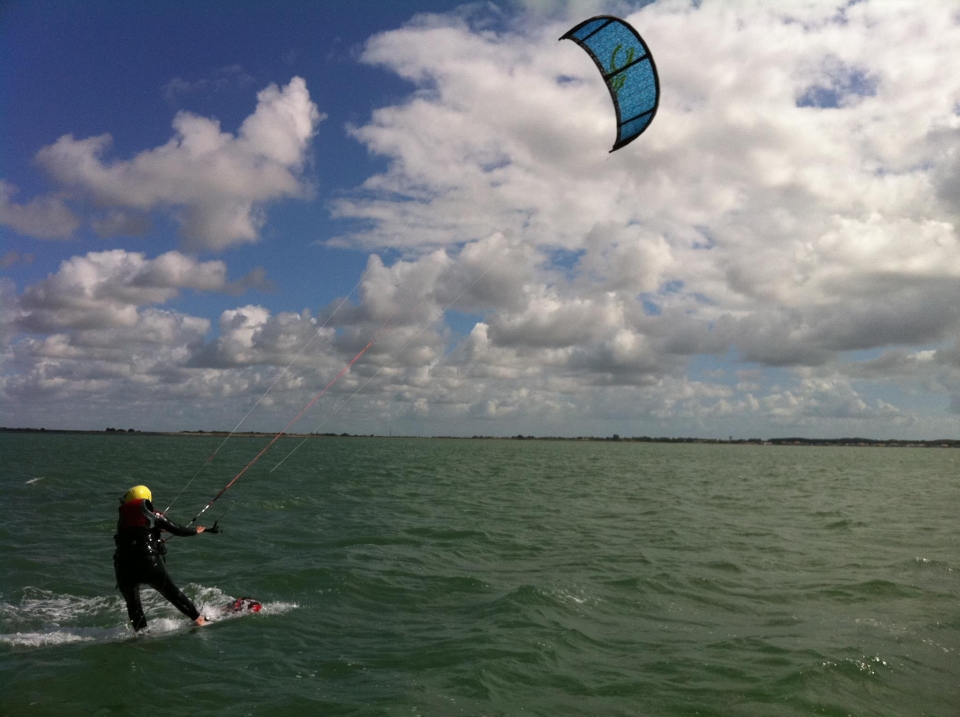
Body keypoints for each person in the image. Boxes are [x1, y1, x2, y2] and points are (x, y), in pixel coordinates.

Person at [113, 484, 217, 631]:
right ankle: (198, 619)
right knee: (172, 593)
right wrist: (196, 531)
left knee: (133, 604)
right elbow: (177, 529)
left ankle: (142, 633)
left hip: (124, 567)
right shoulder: (154, 515)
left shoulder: (122, 521)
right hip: (149, 564)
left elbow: (138, 531)